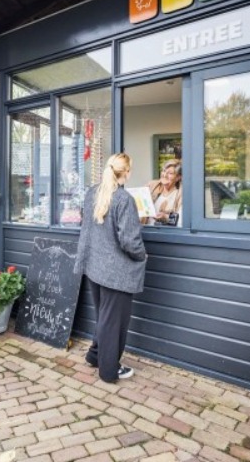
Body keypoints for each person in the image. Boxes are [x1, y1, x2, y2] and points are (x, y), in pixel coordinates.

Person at [74, 153, 147, 383]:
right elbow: (129, 241)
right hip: (116, 272)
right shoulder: (124, 199)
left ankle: (95, 356)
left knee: (104, 317)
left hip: (94, 267)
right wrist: (142, 254)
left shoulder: (92, 193)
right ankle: (109, 370)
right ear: (126, 172)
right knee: (113, 322)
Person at [145, 159, 182, 226]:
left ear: (178, 177)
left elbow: (181, 221)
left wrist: (165, 217)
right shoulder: (151, 187)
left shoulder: (180, 194)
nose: (165, 175)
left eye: (170, 173)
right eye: (163, 171)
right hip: (146, 230)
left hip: (165, 233)